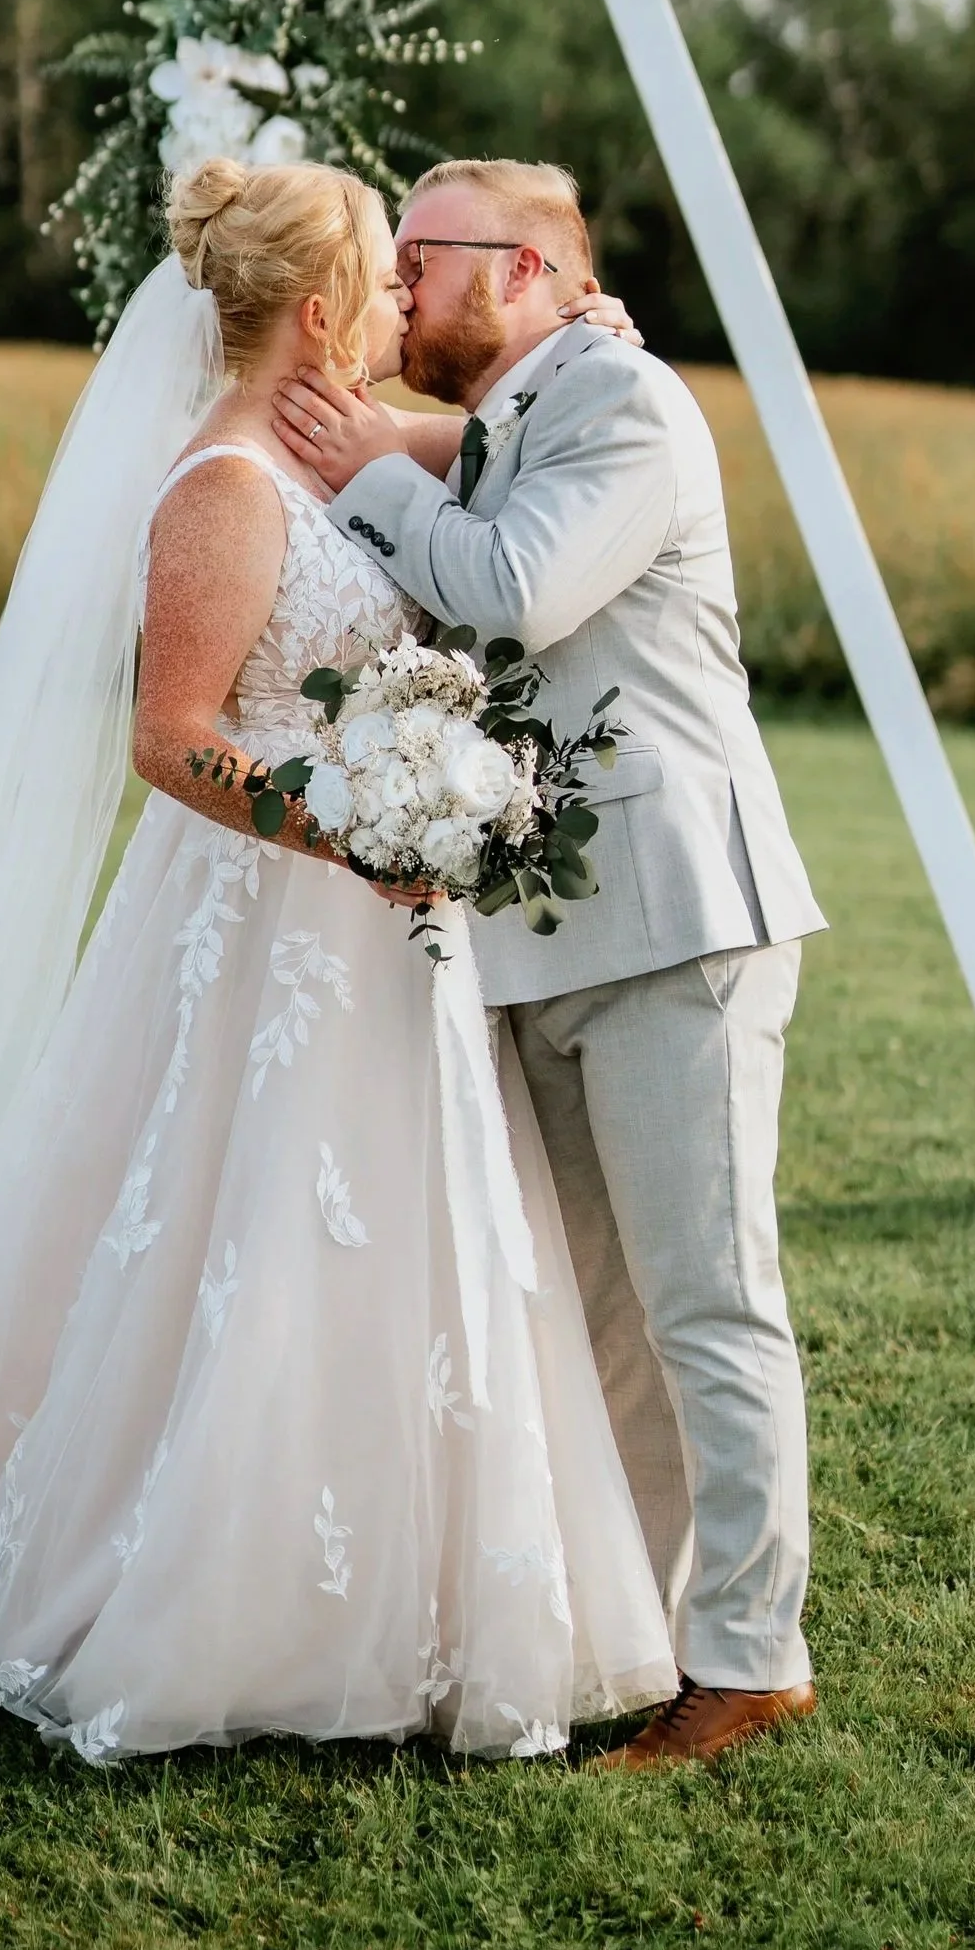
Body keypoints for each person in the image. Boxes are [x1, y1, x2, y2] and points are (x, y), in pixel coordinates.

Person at [0, 157, 677, 1763]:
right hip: (268, 928)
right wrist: (358, 827)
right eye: (384, 284)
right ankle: (213, 1582)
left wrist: (584, 324)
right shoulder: (226, 489)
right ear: (319, 315)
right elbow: (171, 738)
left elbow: (523, 447)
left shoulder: (330, 465)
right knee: (226, 1232)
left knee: (399, 1249)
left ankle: (423, 1590)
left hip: (384, 939)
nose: (406, 303)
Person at [271, 158, 826, 1772]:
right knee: (601, 1315)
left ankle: (754, 1657)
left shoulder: (632, 406)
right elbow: (484, 472)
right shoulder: (537, 399)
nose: (399, 289)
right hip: (546, 933)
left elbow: (511, 588)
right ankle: (652, 1637)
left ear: (514, 271)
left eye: (418, 259)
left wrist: (372, 464)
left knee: (709, 1300)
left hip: (674, 924)